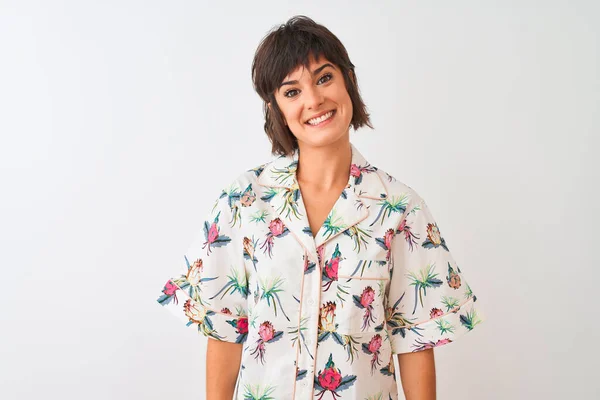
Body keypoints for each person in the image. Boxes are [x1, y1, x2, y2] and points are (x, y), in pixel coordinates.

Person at [157, 15, 483, 400]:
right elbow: (225, 331)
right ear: (276, 108)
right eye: (291, 91)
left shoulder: (400, 210)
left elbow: (414, 340)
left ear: (348, 80)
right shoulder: (242, 202)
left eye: (324, 78)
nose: (313, 100)